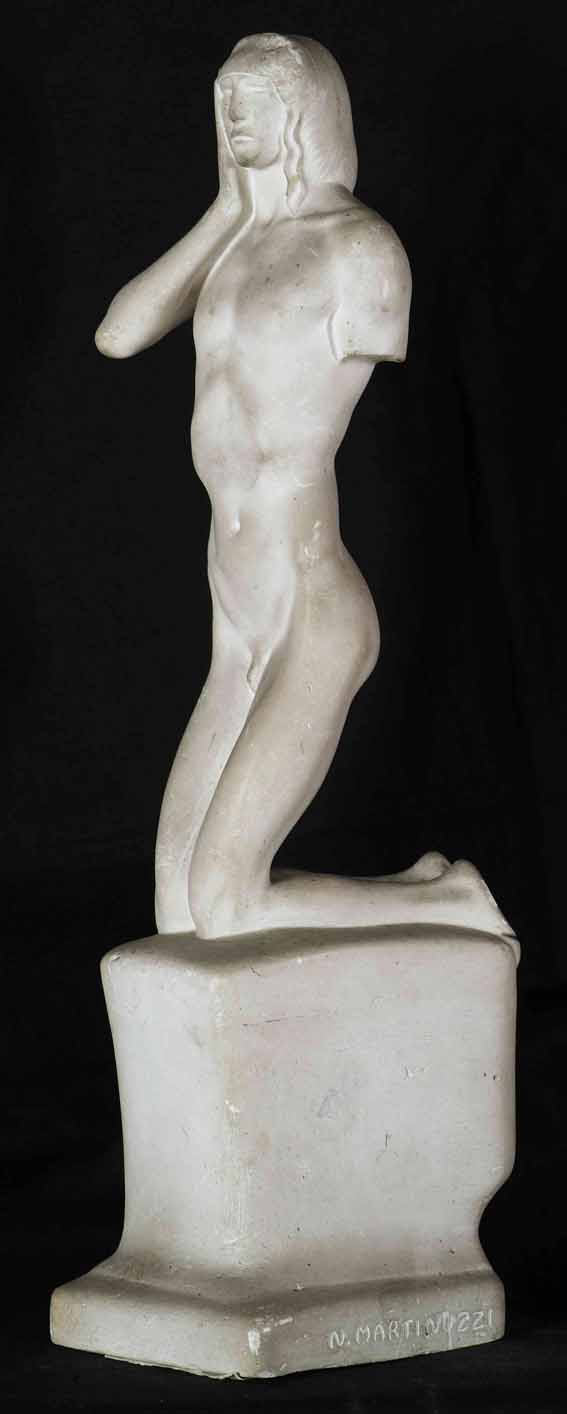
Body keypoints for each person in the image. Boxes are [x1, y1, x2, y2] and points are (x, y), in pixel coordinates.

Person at [96, 33, 513, 943]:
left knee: (227, 907)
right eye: (223, 97)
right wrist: (227, 207)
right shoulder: (232, 249)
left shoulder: (358, 247)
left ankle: (451, 904)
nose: (232, 113)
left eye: (253, 95)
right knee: (179, 913)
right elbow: (118, 334)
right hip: (235, 623)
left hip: (310, 607)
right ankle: (421, 891)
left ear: (304, 109)